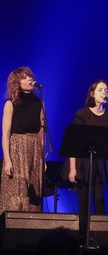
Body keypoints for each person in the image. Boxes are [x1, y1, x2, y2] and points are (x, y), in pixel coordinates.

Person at [61, 79, 108, 245]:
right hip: (82, 163)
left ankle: (101, 236)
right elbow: (73, 144)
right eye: (100, 89)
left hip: (101, 164)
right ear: (92, 93)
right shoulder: (82, 114)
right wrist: (72, 169)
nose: (104, 92)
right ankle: (83, 238)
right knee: (84, 201)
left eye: (106, 90)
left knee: (100, 199)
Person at [0, 67, 45, 215]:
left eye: (30, 76)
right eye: (24, 77)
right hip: (17, 148)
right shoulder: (11, 103)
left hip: (34, 149)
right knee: (18, 191)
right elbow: (5, 133)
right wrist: (7, 159)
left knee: (34, 192)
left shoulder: (39, 103)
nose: (29, 79)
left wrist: (42, 158)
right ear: (16, 82)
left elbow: (41, 132)